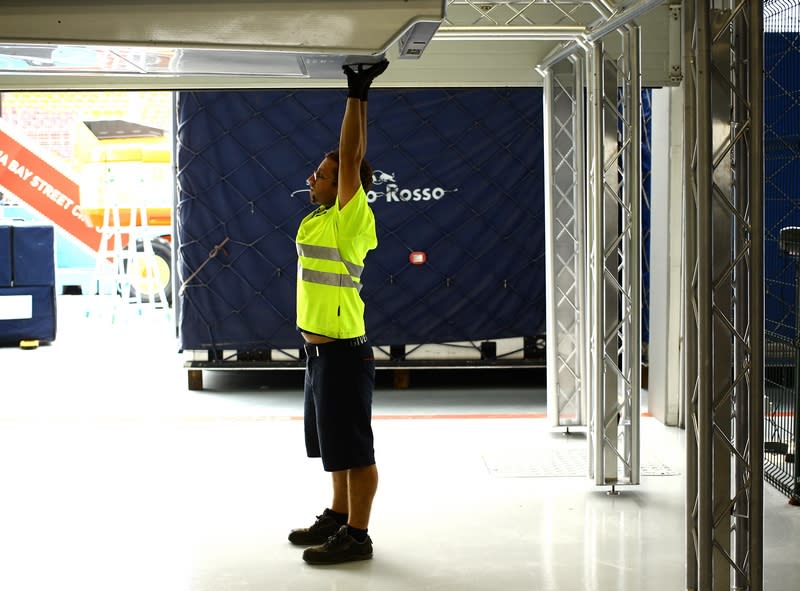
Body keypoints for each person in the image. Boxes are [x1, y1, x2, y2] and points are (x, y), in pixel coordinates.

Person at [289, 58, 389, 565]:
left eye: (323, 175)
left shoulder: (352, 220)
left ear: (344, 188)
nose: (315, 176)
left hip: (346, 355)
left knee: (354, 448)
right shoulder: (318, 221)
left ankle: (358, 535)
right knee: (332, 444)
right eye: (318, 172)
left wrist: (358, 92)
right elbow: (344, 163)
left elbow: (351, 158)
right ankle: (338, 514)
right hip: (319, 356)